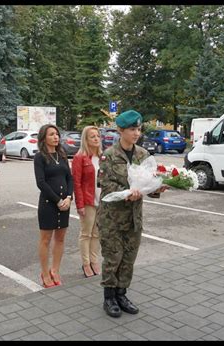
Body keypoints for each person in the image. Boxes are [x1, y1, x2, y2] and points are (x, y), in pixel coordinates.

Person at [97, 110, 167, 318]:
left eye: (138, 129)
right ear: (120, 130)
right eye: (132, 129)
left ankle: (122, 294)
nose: (136, 133)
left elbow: (149, 182)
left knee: (128, 258)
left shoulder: (142, 155)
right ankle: (109, 297)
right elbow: (106, 187)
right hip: (112, 219)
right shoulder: (109, 155)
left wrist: (156, 189)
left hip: (134, 218)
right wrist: (128, 194)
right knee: (113, 257)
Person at [34, 124, 73, 288]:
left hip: (65, 203)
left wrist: (69, 197)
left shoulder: (62, 154)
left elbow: (69, 178)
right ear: (44, 138)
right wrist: (58, 200)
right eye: (51, 134)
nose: (56, 137)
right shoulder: (40, 157)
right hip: (49, 204)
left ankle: (55, 270)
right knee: (45, 240)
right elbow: (41, 183)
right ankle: (44, 272)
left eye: (57, 134)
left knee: (60, 238)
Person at [71, 126, 103, 278]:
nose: (96, 138)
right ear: (86, 139)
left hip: (102, 201)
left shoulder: (103, 157)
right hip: (88, 201)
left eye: (97, 136)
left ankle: (94, 260)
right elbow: (76, 183)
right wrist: (80, 205)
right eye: (92, 136)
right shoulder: (80, 157)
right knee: (86, 234)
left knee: (97, 234)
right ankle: (85, 263)